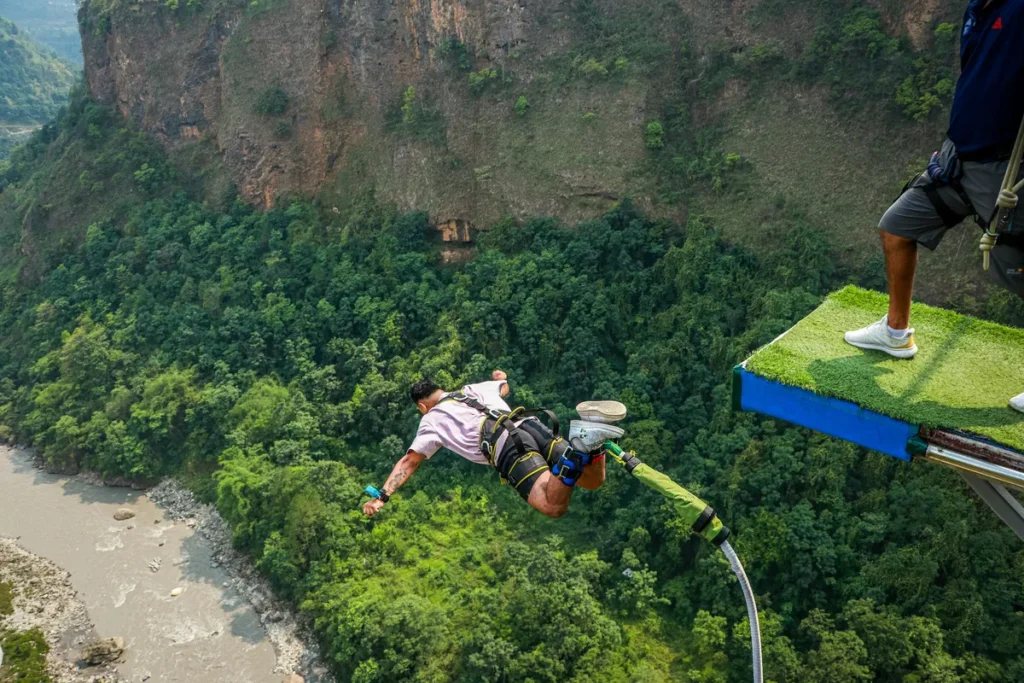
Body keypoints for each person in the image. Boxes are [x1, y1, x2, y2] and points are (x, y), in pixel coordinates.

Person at [844, 0, 1024, 410]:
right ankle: (896, 333)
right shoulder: (977, 9)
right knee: (896, 227)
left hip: (1002, 169)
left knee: (1018, 272)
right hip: (956, 159)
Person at [361, 371, 622, 518]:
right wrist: (501, 376)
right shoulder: (470, 389)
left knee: (552, 505)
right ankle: (592, 440)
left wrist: (383, 496)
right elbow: (503, 387)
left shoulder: (431, 420)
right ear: (440, 391)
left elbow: (409, 461)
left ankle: (574, 455)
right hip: (530, 425)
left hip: (507, 446)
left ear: (422, 406)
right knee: (591, 480)